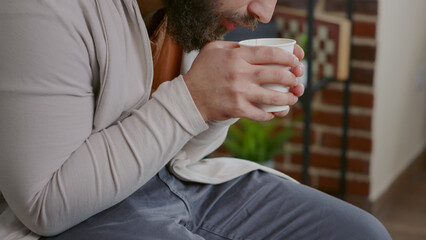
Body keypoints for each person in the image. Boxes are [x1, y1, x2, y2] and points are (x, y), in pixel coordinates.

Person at [0, 0, 391, 239]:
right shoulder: (45, 8)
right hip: (79, 212)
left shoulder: (184, 13)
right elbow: (43, 204)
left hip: (173, 180)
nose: (264, 11)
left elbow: (182, 155)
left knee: (362, 233)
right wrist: (195, 99)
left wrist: (222, 103)